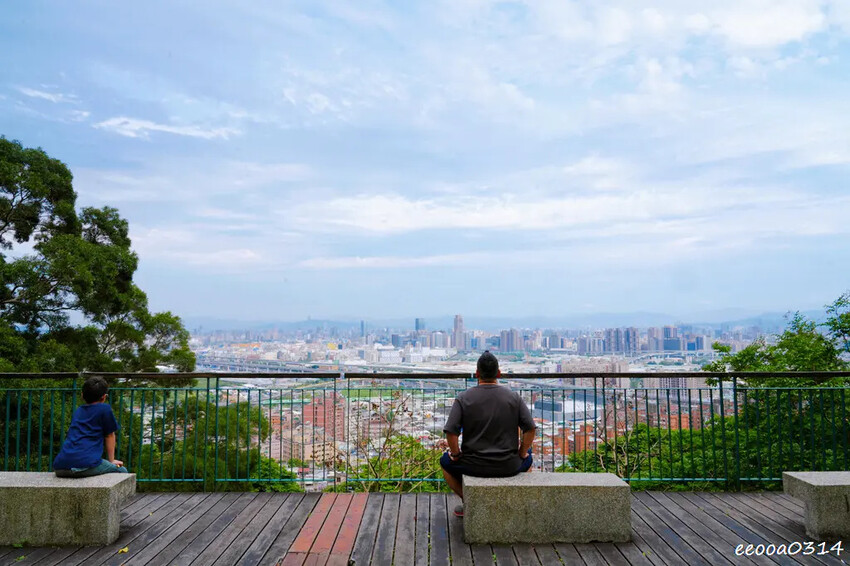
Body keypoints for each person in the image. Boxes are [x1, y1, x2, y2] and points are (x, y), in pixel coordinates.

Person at [441, 350, 536, 517]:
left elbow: (451, 431)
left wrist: (455, 455)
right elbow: (530, 428)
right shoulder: (514, 397)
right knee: (529, 457)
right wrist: (522, 452)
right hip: (508, 464)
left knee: (444, 462)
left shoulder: (463, 398)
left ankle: (470, 502)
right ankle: (510, 503)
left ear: (477, 374)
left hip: (473, 465)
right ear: (499, 373)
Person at [53, 376, 129, 478]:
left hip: (60, 467)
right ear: (104, 397)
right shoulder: (104, 409)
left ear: (82, 395)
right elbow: (109, 435)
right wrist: (111, 461)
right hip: (84, 465)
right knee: (121, 471)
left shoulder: (79, 410)